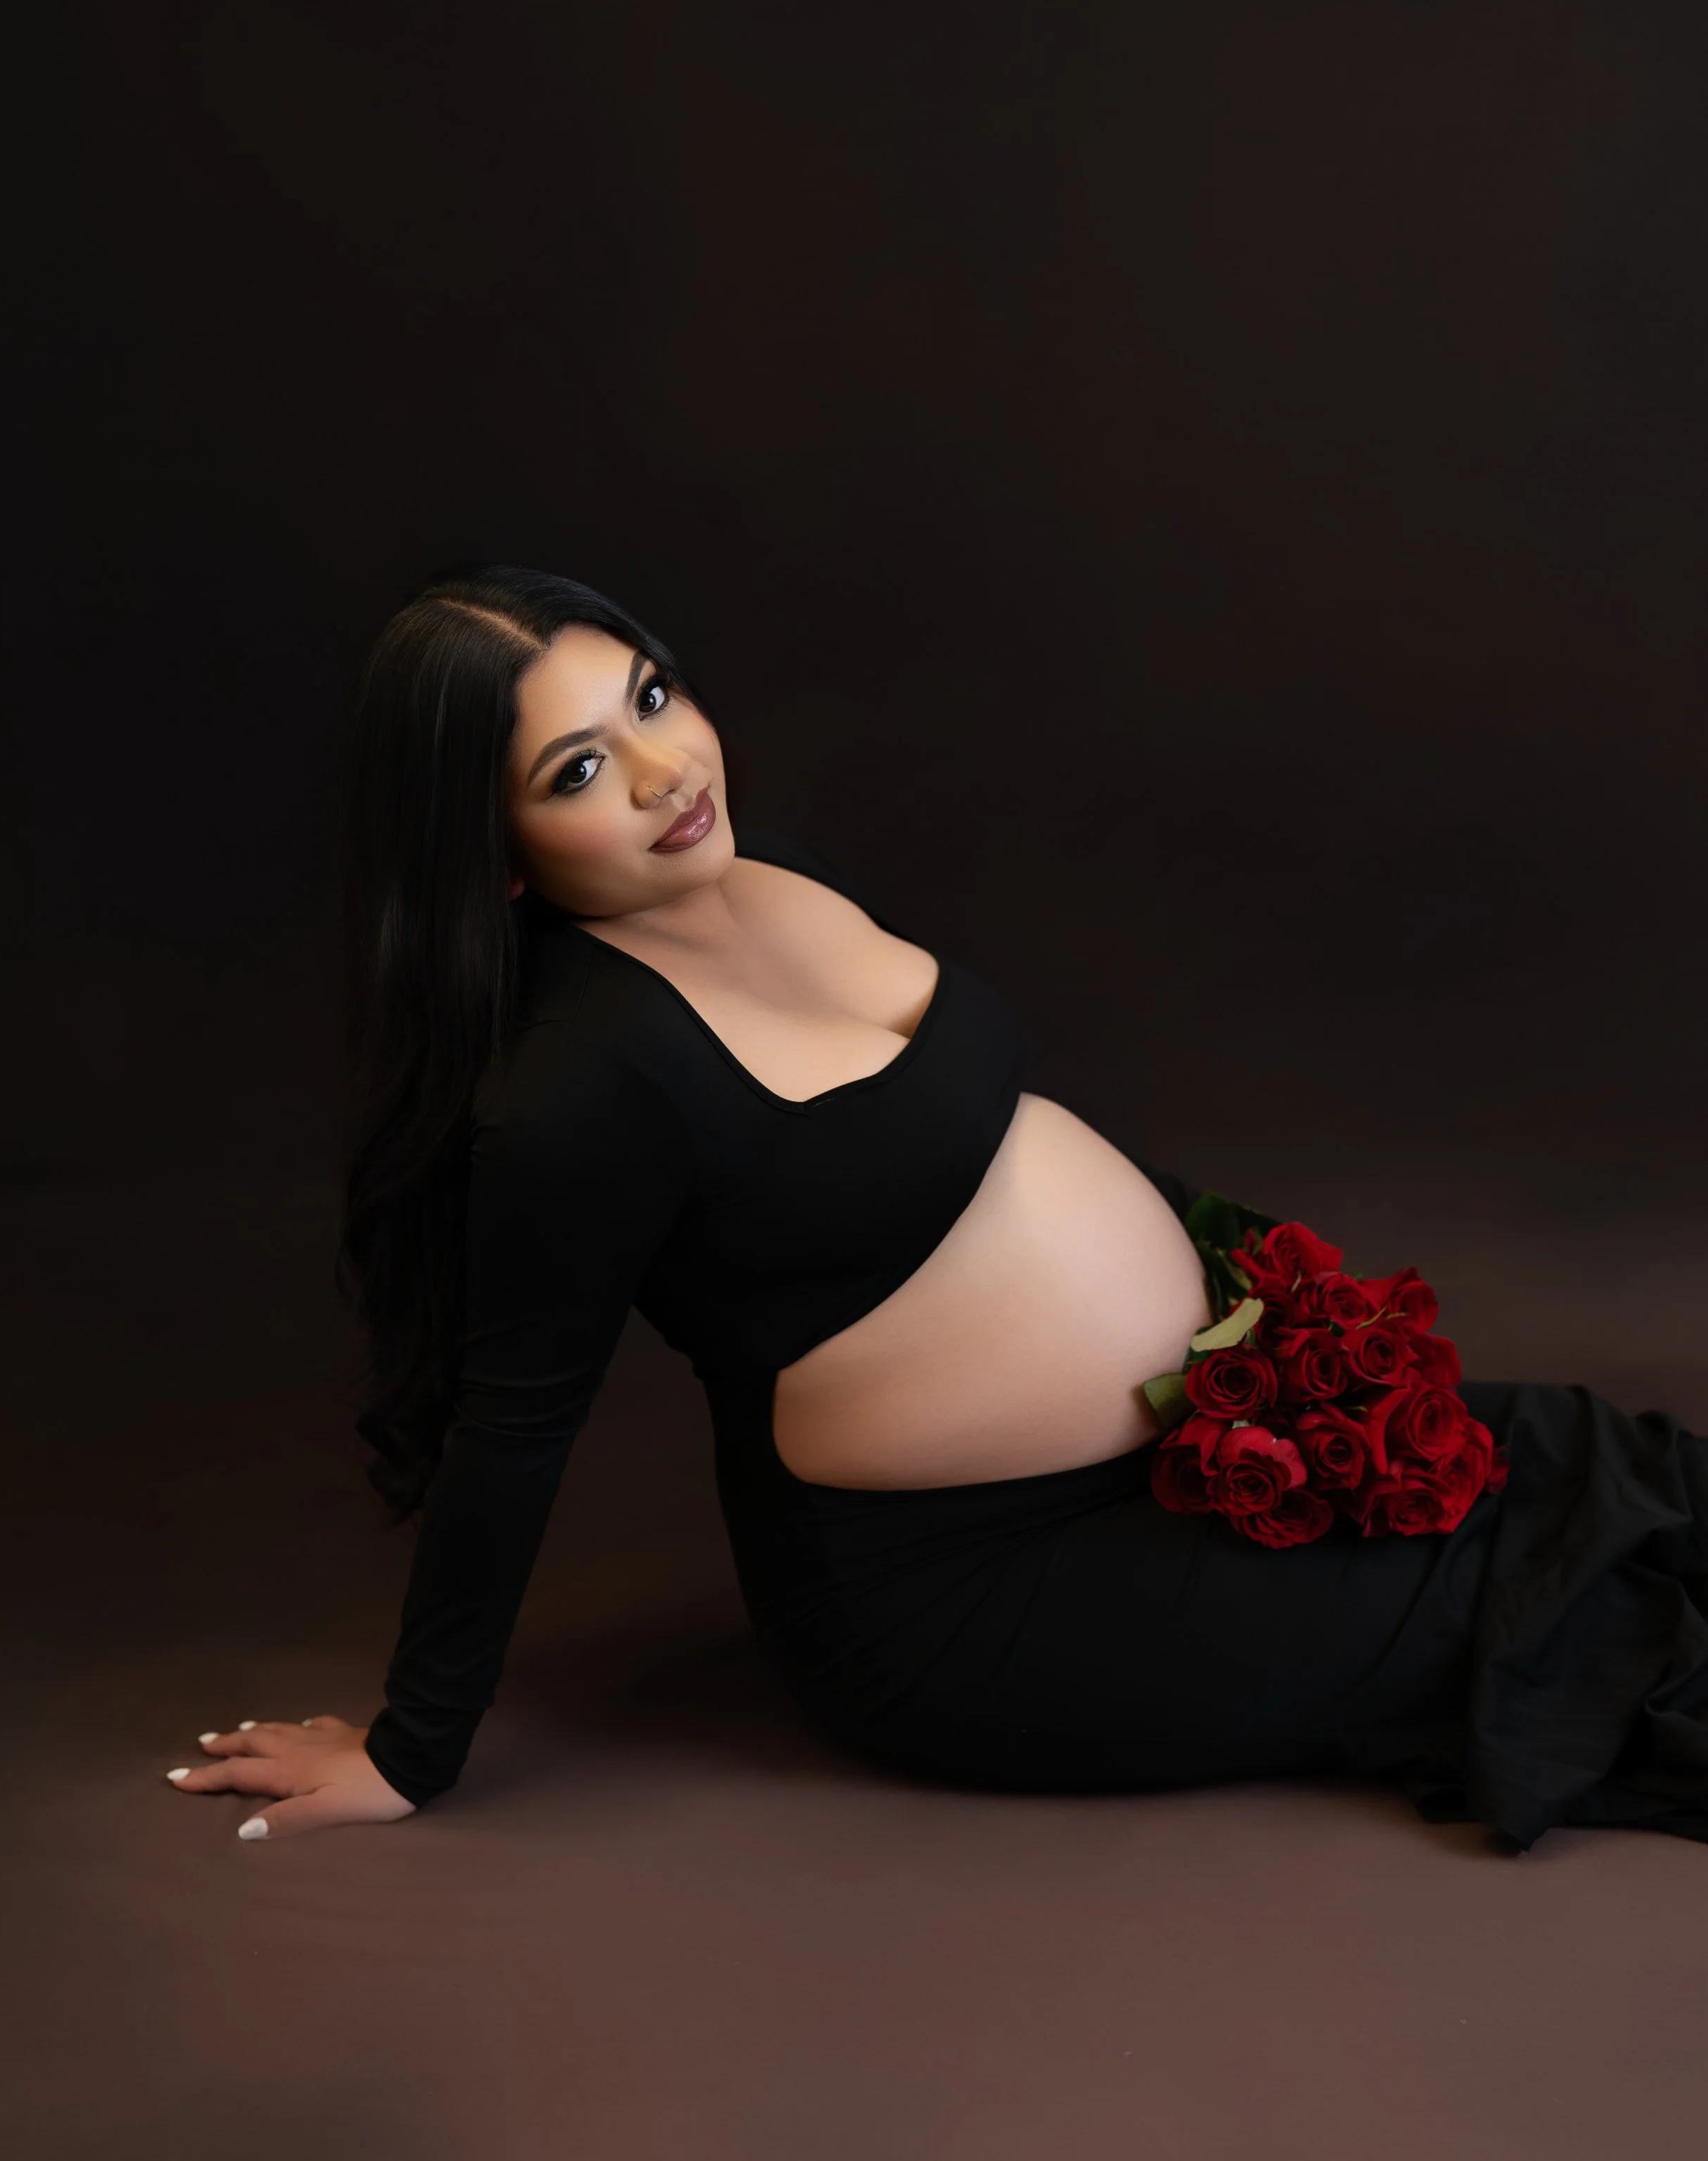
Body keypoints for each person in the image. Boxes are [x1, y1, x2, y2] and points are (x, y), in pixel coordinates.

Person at [164, 566, 1708, 1850]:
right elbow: (514, 1430)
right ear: (494, 862)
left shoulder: (778, 868)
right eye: (575, 772)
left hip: (1188, 1445)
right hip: (977, 1597)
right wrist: (411, 1747)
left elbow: (966, 1143)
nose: (664, 771)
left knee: (1584, 1467)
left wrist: (1248, 1305)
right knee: (1556, 1622)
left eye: (649, 696)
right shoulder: (578, 1090)